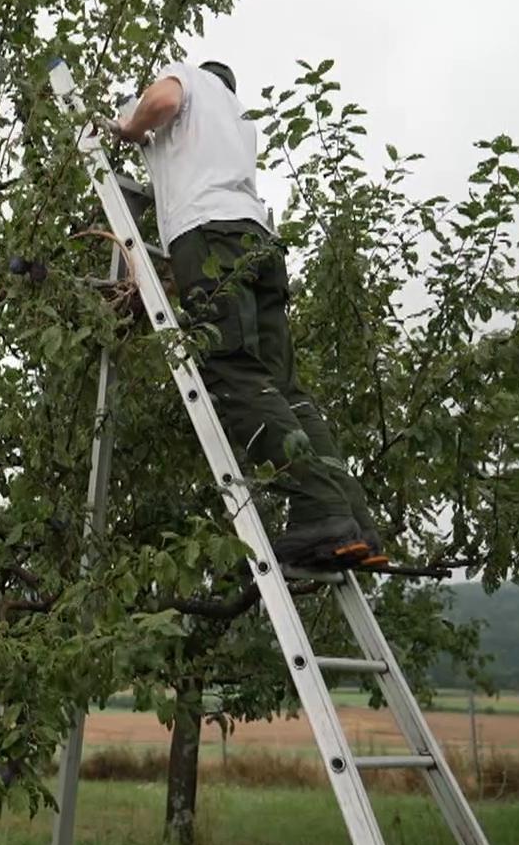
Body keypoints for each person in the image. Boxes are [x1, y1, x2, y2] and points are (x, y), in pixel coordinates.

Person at [105, 59, 384, 569]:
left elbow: (162, 102)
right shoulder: (236, 117)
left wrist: (127, 125)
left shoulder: (186, 77)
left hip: (210, 236)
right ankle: (355, 522)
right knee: (285, 389)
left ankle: (320, 510)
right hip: (257, 242)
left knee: (232, 371)